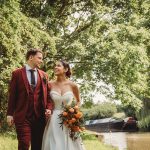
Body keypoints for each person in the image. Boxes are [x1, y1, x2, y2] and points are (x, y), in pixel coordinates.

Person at [7, 49, 53, 150]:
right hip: (23, 116)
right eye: (39, 58)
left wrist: (49, 108)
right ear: (31, 57)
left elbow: (49, 96)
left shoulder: (44, 75)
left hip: (39, 117)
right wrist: (10, 114)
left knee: (38, 146)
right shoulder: (17, 73)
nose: (41, 61)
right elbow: (12, 95)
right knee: (24, 144)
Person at [42, 60, 86, 150]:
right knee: (55, 142)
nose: (55, 67)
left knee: (70, 142)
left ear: (65, 69)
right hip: (53, 118)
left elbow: (78, 101)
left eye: (58, 66)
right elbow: (45, 101)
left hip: (69, 120)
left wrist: (74, 112)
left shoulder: (73, 85)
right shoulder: (49, 84)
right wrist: (47, 110)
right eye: (55, 66)